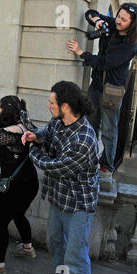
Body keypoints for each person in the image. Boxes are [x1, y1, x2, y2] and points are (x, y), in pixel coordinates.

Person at [21, 81, 99, 274]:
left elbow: (54, 167)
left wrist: (31, 151)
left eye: (51, 102)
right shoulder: (58, 122)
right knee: (55, 242)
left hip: (78, 205)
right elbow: (46, 133)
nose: (48, 106)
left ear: (65, 106)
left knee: (76, 256)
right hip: (59, 197)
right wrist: (34, 136)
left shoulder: (84, 139)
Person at [67, 2, 137, 178]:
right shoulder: (114, 24)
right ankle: (87, 159)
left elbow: (105, 62)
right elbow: (89, 13)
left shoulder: (131, 44)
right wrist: (97, 19)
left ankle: (106, 165)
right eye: (118, 16)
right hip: (96, 85)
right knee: (90, 125)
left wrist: (81, 52)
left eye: (123, 19)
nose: (118, 20)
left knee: (109, 130)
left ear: (132, 24)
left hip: (112, 91)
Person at [0, 96, 39, 274]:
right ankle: (27, 247)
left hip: (14, 186)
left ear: (5, 112)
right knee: (19, 213)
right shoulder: (25, 124)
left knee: (1, 222)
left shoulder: (6, 134)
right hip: (30, 182)